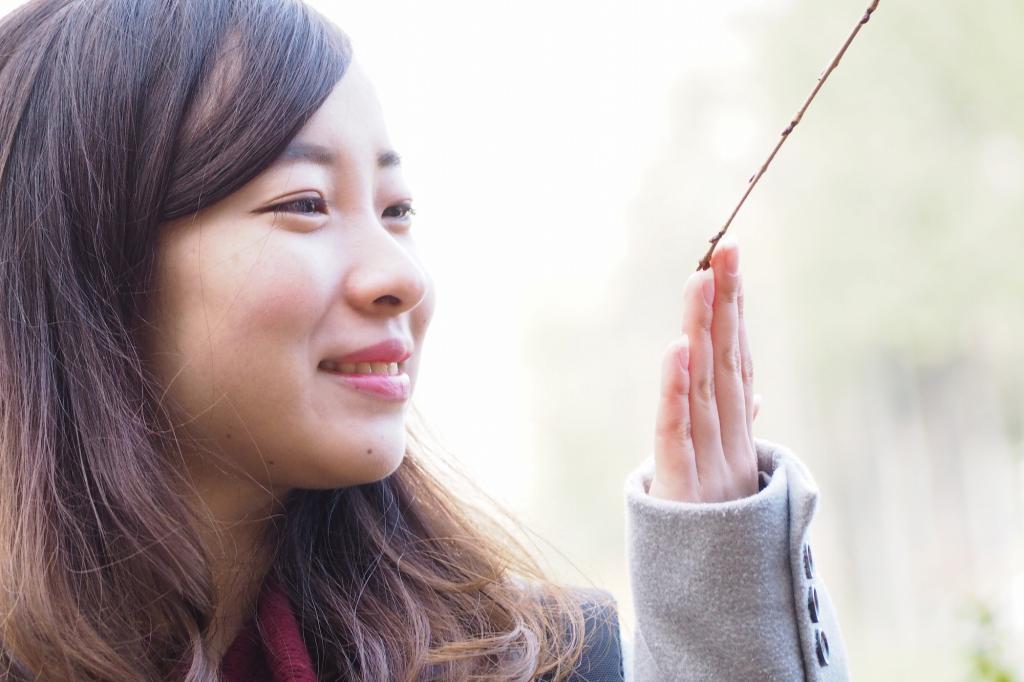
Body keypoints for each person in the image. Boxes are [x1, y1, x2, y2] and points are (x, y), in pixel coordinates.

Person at [0, 0, 849, 680]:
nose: (401, 277)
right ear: (88, 263)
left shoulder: (540, 660)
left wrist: (724, 617)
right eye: (305, 203)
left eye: (396, 210)